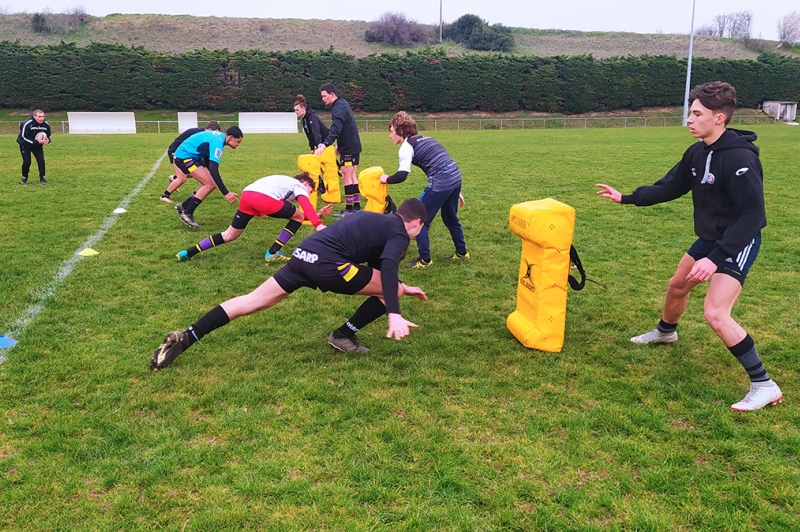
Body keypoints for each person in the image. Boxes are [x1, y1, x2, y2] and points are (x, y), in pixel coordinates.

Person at [595, 81, 782, 412]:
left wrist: (716, 259)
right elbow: (671, 186)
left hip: (737, 240)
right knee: (677, 285)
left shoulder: (739, 157)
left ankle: (764, 385)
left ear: (719, 118)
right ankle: (666, 332)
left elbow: (753, 216)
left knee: (715, 313)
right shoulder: (698, 151)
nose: (690, 120)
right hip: (710, 238)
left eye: (697, 114)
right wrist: (626, 198)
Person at [151, 198, 429, 370]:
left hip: (302, 255)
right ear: (416, 222)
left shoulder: (374, 219)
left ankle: (188, 337)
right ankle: (343, 335)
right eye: (421, 230)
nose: (417, 236)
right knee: (391, 289)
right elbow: (389, 270)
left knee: (251, 301)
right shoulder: (399, 232)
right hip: (327, 264)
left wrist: (402, 287)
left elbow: (379, 268)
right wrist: (394, 310)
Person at [176, 173, 334, 262]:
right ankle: (272, 253)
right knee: (298, 217)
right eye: (310, 189)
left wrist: (317, 214)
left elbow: (293, 212)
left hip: (248, 195)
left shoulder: (282, 182)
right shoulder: (299, 185)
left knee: (229, 235)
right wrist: (318, 224)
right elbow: (303, 206)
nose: (309, 192)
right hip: (264, 199)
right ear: (305, 183)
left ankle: (188, 252)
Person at [380, 111, 468, 269]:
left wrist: (386, 179)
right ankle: (462, 252)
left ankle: (424, 260)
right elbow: (445, 161)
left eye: (391, 132)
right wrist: (454, 189)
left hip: (444, 181)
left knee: (419, 220)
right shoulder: (426, 138)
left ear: (400, 131)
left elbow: (402, 175)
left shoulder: (406, 147)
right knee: (450, 218)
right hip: (454, 177)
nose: (390, 136)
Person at [173, 126, 243, 228]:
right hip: (184, 157)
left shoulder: (219, 138)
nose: (238, 145)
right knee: (209, 184)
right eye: (237, 141)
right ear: (230, 137)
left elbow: (206, 156)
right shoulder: (218, 142)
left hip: (189, 156)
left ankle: (184, 206)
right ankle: (187, 213)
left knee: (210, 183)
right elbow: (214, 169)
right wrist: (226, 193)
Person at [315, 83, 362, 216]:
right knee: (352, 176)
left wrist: (325, 144)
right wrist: (338, 145)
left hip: (348, 148)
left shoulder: (337, 108)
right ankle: (356, 208)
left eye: (324, 96)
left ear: (332, 94)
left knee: (347, 176)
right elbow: (345, 128)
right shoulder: (343, 103)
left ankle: (349, 210)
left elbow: (336, 128)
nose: (323, 99)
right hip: (353, 146)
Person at [160, 120, 221, 203]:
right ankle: (165, 196)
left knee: (203, 174)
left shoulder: (207, 137)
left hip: (191, 155)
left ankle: (176, 180)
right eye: (215, 132)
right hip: (177, 153)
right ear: (209, 129)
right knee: (182, 178)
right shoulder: (198, 133)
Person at [17, 109, 51, 186]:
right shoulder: (27, 124)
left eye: (43, 116)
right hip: (25, 145)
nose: (41, 118)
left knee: (41, 160)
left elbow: (48, 135)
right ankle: (24, 178)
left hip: (37, 146)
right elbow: (23, 137)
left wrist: (47, 140)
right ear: (34, 116)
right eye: (39, 116)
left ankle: (43, 178)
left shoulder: (46, 125)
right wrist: (36, 142)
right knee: (27, 162)